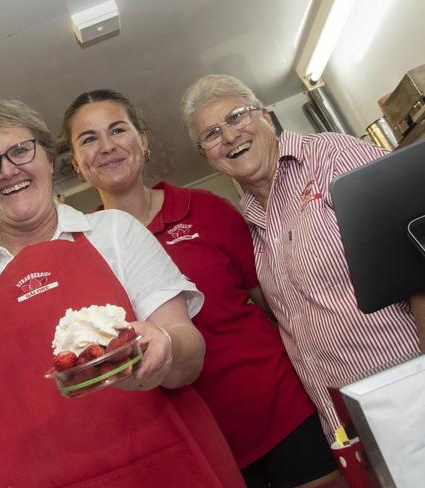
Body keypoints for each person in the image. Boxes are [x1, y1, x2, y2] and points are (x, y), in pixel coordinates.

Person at [0, 98, 245, 487]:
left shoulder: (115, 232)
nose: (8, 171)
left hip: (163, 469)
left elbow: (188, 349)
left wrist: (165, 348)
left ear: (49, 157)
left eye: (21, 150)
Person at [60, 89, 340, 488]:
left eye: (118, 130)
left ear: (143, 140)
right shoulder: (83, 252)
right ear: (76, 163)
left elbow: (277, 303)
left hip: (282, 414)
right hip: (196, 447)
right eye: (88, 139)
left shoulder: (207, 209)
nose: (106, 146)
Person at [180, 74, 424, 445]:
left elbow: (418, 253)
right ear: (205, 156)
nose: (229, 136)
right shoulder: (248, 222)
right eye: (211, 134)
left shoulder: (331, 155)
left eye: (236, 117)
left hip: (410, 390)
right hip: (351, 422)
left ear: (265, 115)